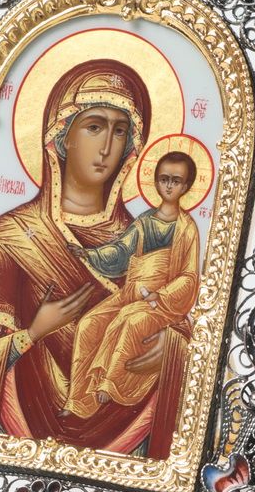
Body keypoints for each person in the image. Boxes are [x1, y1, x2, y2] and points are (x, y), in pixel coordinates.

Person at [0, 59, 192, 458]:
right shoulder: (7, 241)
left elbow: (188, 323)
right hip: (13, 449)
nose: (107, 147)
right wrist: (31, 334)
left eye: (119, 131)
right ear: (62, 136)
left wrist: (173, 350)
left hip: (128, 453)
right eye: (94, 127)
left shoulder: (148, 237)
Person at [61, 152, 200, 419]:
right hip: (130, 293)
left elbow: (189, 276)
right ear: (156, 182)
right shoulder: (145, 221)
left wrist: (161, 295)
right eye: (164, 179)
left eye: (176, 180)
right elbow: (121, 250)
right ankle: (78, 400)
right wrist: (90, 254)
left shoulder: (187, 229)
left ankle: (109, 383)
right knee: (89, 323)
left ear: (186, 186)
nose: (169, 186)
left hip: (161, 303)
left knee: (130, 320)